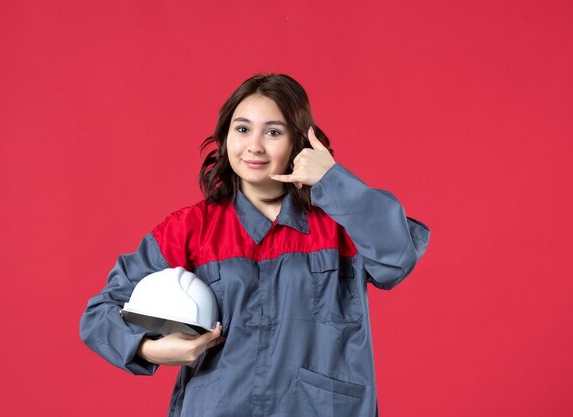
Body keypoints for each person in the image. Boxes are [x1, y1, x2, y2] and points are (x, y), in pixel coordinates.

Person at [80, 73, 430, 417]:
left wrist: (332, 179)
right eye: (242, 129)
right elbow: (99, 315)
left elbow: (397, 257)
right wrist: (150, 349)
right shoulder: (191, 229)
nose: (255, 146)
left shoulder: (339, 223)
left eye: (273, 132)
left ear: (298, 142)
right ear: (224, 137)